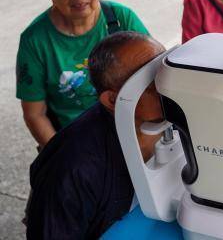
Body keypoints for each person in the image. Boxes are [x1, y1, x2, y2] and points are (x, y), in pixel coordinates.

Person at [26, 31, 166, 239]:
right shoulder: (75, 168)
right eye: (149, 82)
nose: (167, 84)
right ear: (113, 100)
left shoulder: (179, 116)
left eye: (166, 68)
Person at [16, 0, 149, 148]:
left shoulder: (121, 19)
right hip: (75, 140)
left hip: (132, 130)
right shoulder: (35, 40)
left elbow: (154, 76)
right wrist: (62, 156)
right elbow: (35, 114)